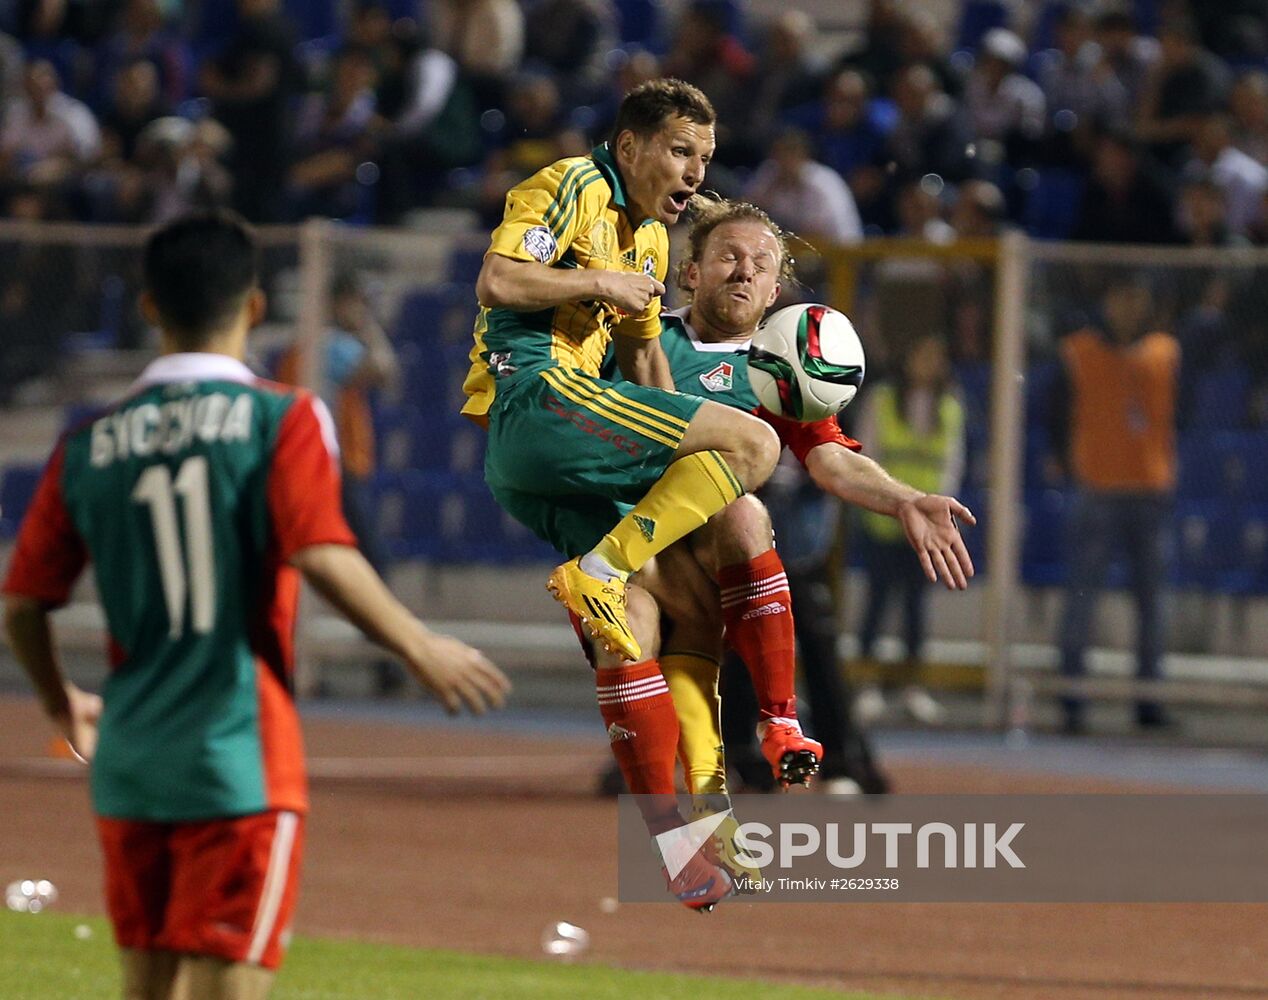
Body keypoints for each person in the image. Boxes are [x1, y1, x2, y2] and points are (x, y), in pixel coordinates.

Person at [2, 211, 509, 999]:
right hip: (236, 753)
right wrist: (419, 644)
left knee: (147, 985)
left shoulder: (87, 443)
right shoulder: (283, 417)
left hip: (132, 757)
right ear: (254, 306)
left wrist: (61, 702)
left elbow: (22, 606)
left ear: (150, 308)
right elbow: (321, 552)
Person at [460, 79, 783, 908]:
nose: (695, 171)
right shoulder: (572, 183)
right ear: (631, 146)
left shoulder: (651, 240)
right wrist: (598, 284)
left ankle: (683, 841)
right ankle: (607, 574)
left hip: (547, 456)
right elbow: (498, 280)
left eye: (705, 156)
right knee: (755, 446)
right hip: (540, 399)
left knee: (649, 620)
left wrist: (682, 441)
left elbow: (643, 365)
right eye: (680, 151)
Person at [597, 199, 972, 817]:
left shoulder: (781, 367)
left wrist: (905, 498)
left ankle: (810, 746)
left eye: (762, 262)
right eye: (729, 256)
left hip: (737, 539)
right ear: (690, 272)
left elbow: (831, 458)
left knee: (782, 576)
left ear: (775, 291)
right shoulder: (639, 337)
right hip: (644, 542)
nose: (745, 270)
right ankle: (670, 758)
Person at [1047, 274, 1180, 734]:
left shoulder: (1165, 352)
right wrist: (1067, 460)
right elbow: (1056, 410)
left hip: (1150, 488)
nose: (1129, 308)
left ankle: (1149, 700)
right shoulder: (1079, 351)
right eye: (1121, 298)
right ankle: (1072, 698)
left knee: (1153, 602)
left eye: (1137, 298)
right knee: (1082, 598)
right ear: (1106, 301)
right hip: (1097, 488)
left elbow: (1182, 411)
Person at [277, 270, 403, 694]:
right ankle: (384, 664)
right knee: (369, 565)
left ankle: (306, 664)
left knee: (319, 567)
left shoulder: (304, 347)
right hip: (334, 470)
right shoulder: (331, 345)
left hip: (313, 467)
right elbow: (384, 368)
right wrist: (366, 325)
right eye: (356, 301)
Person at [853, 334, 966, 726]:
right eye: (921, 355)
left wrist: (936, 514)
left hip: (927, 526)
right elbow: (867, 457)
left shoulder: (949, 407)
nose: (928, 364)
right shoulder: (882, 399)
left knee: (917, 606)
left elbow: (952, 463)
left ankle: (912, 688)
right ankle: (866, 685)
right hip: (885, 521)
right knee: (877, 603)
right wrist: (888, 504)